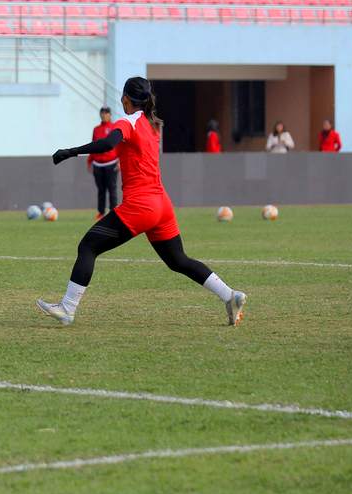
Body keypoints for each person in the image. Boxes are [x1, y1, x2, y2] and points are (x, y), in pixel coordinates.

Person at [39, 77, 247, 327]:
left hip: (141, 206)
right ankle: (230, 295)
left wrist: (69, 152)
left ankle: (67, 308)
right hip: (162, 205)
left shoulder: (128, 122)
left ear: (125, 98)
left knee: (88, 247)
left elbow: (107, 143)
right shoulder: (151, 126)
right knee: (178, 260)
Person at [88, 106, 120, 219]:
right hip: (98, 164)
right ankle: (101, 212)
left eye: (106, 113)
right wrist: (89, 161)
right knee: (101, 190)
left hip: (111, 163)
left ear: (110, 115)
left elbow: (120, 146)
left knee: (112, 188)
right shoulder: (96, 129)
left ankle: (113, 212)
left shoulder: (114, 128)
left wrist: (120, 161)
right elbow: (93, 145)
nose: (104, 114)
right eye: (102, 112)